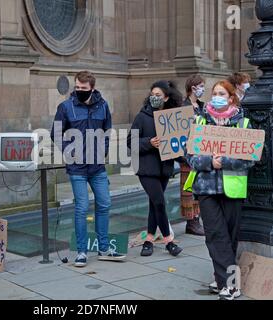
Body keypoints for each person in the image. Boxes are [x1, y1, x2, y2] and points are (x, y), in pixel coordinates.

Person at [185, 80, 254, 300]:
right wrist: (209, 162)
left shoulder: (243, 123)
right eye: (214, 93)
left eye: (221, 93)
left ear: (231, 98)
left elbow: (249, 159)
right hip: (206, 188)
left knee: (229, 237)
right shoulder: (199, 121)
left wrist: (224, 161)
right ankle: (230, 284)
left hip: (233, 188)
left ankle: (221, 276)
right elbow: (190, 156)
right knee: (215, 234)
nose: (216, 96)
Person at [50, 71, 126, 268]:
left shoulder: (103, 105)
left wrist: (105, 150)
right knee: (82, 208)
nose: (79, 91)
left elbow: (107, 130)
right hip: (77, 167)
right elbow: (56, 133)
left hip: (97, 166)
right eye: (77, 87)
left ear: (92, 88)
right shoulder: (66, 107)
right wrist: (69, 151)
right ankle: (82, 252)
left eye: (83, 88)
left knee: (104, 204)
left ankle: (104, 249)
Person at [127, 81, 184, 257]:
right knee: (159, 202)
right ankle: (169, 241)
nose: (154, 97)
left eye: (158, 95)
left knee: (154, 205)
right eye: (152, 94)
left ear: (167, 97)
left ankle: (149, 240)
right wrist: (149, 143)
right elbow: (131, 142)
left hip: (164, 169)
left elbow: (179, 145)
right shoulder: (142, 117)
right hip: (146, 168)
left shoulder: (171, 118)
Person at [181, 75, 206, 236]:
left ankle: (197, 218)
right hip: (188, 152)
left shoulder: (203, 106)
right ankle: (191, 221)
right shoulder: (183, 106)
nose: (203, 89)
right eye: (201, 86)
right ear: (193, 87)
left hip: (202, 151)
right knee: (188, 188)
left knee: (199, 187)